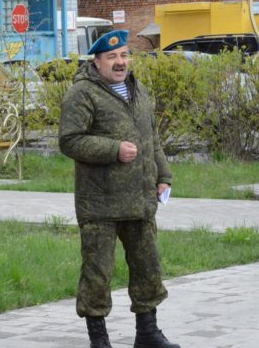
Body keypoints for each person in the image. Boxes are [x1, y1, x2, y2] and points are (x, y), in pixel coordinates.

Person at [58, 30, 179, 348]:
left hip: (140, 199)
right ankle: (98, 339)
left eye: (124, 55)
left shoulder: (138, 90)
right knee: (98, 273)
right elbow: (70, 140)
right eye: (112, 57)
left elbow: (151, 139)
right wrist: (114, 150)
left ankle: (147, 333)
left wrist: (163, 176)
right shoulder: (82, 93)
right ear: (97, 62)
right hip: (100, 203)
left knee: (148, 267)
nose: (120, 62)